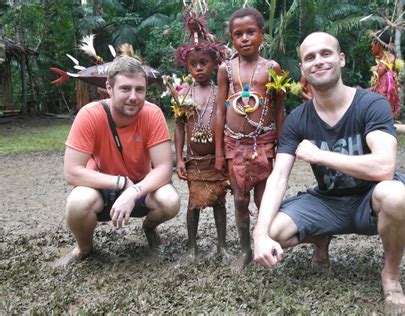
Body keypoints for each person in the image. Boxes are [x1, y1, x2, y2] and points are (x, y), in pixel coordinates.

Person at [253, 32, 405, 314]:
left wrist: (320, 155)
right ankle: (320, 236)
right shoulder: (298, 120)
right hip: (327, 201)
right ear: (303, 69)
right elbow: (278, 176)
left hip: (369, 199)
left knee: (395, 195)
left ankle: (390, 275)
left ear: (341, 59)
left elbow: (384, 166)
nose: (318, 61)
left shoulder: (371, 104)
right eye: (310, 57)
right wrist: (259, 234)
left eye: (325, 53)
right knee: (273, 230)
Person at [57, 55, 180, 266]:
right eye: (125, 89)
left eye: (139, 89)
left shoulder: (153, 114)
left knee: (170, 201)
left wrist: (133, 191)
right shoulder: (90, 115)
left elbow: (164, 168)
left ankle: (149, 227)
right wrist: (121, 183)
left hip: (142, 187)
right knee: (77, 203)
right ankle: (84, 247)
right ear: (109, 87)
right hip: (102, 188)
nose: (133, 96)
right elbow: (72, 172)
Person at [215, 7, 285, 269]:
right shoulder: (225, 69)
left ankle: (263, 244)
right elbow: (221, 112)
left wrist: (281, 145)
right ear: (232, 39)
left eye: (250, 32)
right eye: (238, 34)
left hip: (264, 143)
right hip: (234, 144)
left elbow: (278, 108)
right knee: (240, 199)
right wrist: (221, 152)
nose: (244, 38)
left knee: (264, 200)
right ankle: (244, 250)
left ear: (262, 34)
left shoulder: (272, 68)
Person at [173, 10, 231, 260]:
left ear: (213, 64)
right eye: (193, 64)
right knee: (193, 204)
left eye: (203, 63)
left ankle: (222, 246)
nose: (198, 69)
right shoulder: (183, 94)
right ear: (187, 66)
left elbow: (228, 122)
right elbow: (178, 125)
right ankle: (191, 246)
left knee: (219, 202)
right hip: (194, 160)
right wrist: (178, 158)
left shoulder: (221, 91)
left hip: (216, 159)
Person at [370, 30, 405, 139]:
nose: (371, 47)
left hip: (386, 96)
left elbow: (383, 78)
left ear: (378, 44)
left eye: (373, 44)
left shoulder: (389, 58)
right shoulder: (382, 60)